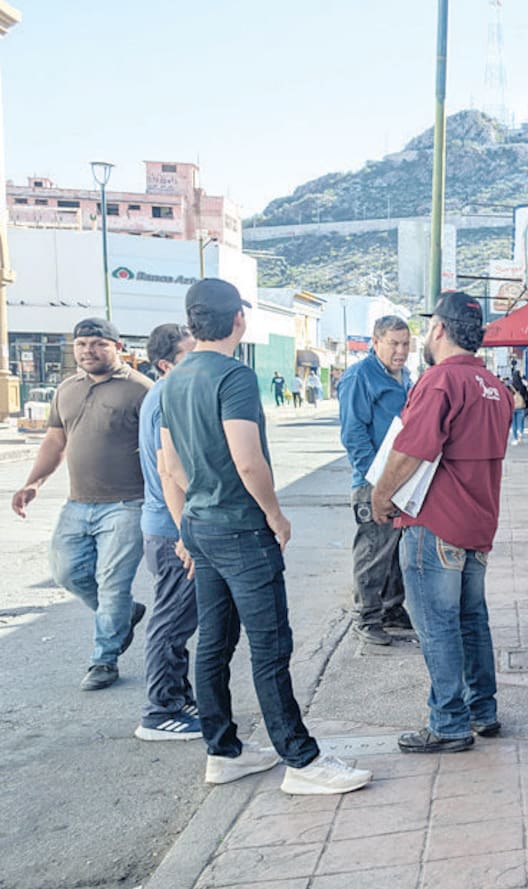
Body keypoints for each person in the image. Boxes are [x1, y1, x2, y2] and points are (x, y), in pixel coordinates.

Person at [160, 278, 370, 795]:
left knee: (214, 643)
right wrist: (274, 515)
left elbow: (170, 466)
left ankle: (222, 750)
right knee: (270, 646)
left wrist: (190, 518)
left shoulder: (175, 378)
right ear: (239, 320)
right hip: (241, 529)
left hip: (202, 524)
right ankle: (301, 760)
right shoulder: (233, 375)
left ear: (192, 322)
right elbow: (248, 461)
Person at [371, 291, 512, 754]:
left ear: (438, 329)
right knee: (472, 620)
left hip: (436, 524)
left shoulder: (439, 382)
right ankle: (481, 709)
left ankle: (449, 721)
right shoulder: (494, 387)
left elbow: (411, 450)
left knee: (437, 625)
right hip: (477, 524)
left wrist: (381, 496)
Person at [11, 317, 151, 691]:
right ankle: (124, 615)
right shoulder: (67, 389)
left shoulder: (141, 390)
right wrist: (33, 483)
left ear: (117, 347)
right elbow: (55, 442)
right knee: (66, 573)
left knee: (112, 584)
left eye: (98, 343)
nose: (89, 351)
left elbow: (161, 449)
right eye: (81, 344)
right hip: (77, 503)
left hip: (127, 504)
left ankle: (104, 660)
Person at [136, 323, 202, 740]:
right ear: (165, 364)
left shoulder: (164, 393)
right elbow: (171, 472)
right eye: (189, 356)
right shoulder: (167, 398)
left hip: (165, 527)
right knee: (171, 622)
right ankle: (160, 712)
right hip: (171, 529)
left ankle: (177, 696)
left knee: (178, 619)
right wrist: (186, 535)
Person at [337, 315, 413, 645]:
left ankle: (392, 610)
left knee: (393, 551)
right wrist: (378, 483)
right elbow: (353, 434)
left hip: (400, 477)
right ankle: (367, 617)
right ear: (376, 341)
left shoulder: (405, 375)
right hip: (373, 482)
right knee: (373, 550)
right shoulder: (360, 376)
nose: (401, 351)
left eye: (405, 344)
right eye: (393, 344)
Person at [509, 371, 528, 446]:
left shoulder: (510, 386)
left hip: (512, 407)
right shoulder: (522, 386)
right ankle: (520, 434)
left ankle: (515, 438)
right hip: (521, 406)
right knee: (521, 422)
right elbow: (526, 396)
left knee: (514, 423)